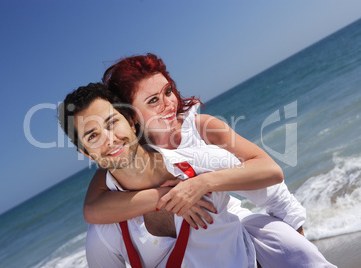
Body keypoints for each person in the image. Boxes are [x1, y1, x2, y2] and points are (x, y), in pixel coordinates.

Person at [58, 83, 335, 267]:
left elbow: (272, 188)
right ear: (85, 153)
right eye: (93, 136)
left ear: (131, 120)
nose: (109, 139)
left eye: (112, 123)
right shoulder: (105, 231)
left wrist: (298, 245)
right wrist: (164, 197)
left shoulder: (200, 162)